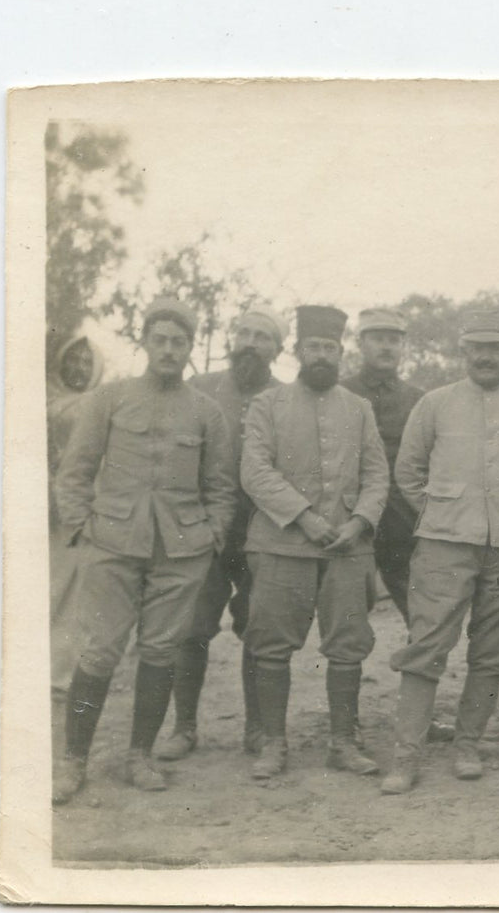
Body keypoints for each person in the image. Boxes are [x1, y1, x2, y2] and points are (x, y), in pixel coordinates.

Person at [51, 297, 236, 804]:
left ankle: (139, 757)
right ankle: (73, 762)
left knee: (160, 650)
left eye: (179, 342)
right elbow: (74, 474)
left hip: (181, 549)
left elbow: (221, 488)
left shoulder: (207, 412)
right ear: (146, 343)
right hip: (111, 544)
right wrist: (81, 529)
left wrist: (212, 535)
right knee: (99, 650)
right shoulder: (109, 399)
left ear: (190, 349)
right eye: (160, 340)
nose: (169, 350)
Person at [379, 311, 499, 793]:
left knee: (496, 649)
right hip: (443, 544)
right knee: (426, 645)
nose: (484, 356)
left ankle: (468, 743)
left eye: (495, 347)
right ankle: (406, 754)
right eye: (475, 347)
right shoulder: (433, 405)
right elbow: (408, 472)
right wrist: (440, 514)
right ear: (463, 354)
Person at [239, 305, 389, 780]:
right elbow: (255, 472)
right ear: (298, 352)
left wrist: (361, 521)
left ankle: (342, 742)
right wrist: (303, 517)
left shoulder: (359, 408)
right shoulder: (268, 404)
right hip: (282, 544)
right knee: (270, 643)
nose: (321, 356)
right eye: (312, 348)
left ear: (340, 353)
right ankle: (274, 744)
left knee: (348, 644)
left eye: (329, 348)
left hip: (347, 548)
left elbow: (376, 474)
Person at [156, 305, 285, 762]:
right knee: (191, 627)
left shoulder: (286, 399)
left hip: (262, 533)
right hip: (205, 530)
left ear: (278, 348)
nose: (251, 343)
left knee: (259, 627)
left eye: (263, 336)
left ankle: (256, 729)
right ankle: (184, 726)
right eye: (244, 333)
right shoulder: (201, 389)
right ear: (232, 339)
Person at [342, 307, 425, 624]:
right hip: (353, 519)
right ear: (361, 344)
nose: (387, 347)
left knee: (419, 612)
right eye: (378, 339)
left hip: (403, 523)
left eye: (394, 340)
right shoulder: (341, 394)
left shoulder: (418, 399)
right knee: (348, 612)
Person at [46, 330, 105, 701]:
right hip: (43, 503)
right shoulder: (45, 400)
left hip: (82, 505)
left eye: (87, 361)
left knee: (77, 589)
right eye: (73, 360)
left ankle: (61, 674)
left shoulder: (97, 403)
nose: (79, 367)